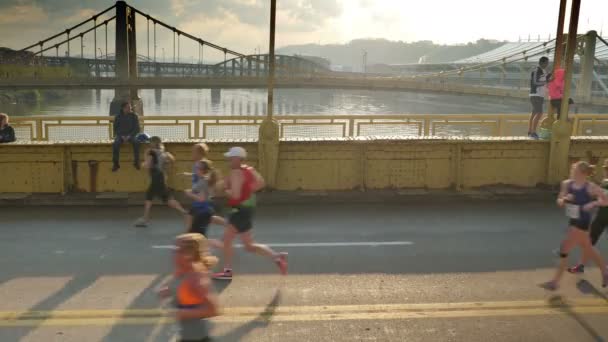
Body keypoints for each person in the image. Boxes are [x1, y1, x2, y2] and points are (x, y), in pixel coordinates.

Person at [212, 146, 288, 280]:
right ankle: (276, 257)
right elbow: (261, 183)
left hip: (239, 210)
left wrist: (226, 191)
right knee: (249, 246)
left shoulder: (235, 172)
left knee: (227, 241)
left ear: (237, 158)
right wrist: (246, 191)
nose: (229, 160)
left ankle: (227, 271)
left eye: (230, 157)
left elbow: (235, 196)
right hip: (247, 209)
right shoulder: (249, 169)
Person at [542, 161, 608, 291]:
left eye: (575, 171)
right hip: (573, 220)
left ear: (583, 174)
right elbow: (559, 202)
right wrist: (565, 199)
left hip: (583, 222)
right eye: (572, 171)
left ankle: (555, 282)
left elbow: (605, 201)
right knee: (588, 248)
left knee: (564, 249)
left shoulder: (591, 187)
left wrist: (593, 204)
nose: (572, 173)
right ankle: (605, 271)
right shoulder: (566, 184)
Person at [158, 233, 220, 342]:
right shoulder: (181, 270)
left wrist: (182, 313)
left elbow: (213, 310)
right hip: (185, 335)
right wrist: (168, 290)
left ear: (188, 255)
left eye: (177, 250)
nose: (173, 253)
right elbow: (179, 287)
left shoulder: (196, 277)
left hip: (197, 338)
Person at [135, 136, 187, 227]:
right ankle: (184, 212)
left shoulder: (151, 152)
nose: (148, 144)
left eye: (150, 142)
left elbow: (147, 165)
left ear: (153, 143)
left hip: (156, 177)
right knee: (158, 197)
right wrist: (165, 162)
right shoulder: (163, 152)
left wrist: (143, 161)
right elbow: (172, 159)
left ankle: (145, 219)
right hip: (161, 176)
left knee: (156, 197)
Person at [568, 158, 608, 274]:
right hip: (601, 217)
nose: (605, 170)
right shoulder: (605, 181)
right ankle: (581, 266)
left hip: (603, 216)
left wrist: (592, 202)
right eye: (605, 168)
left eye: (607, 168)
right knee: (589, 242)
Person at [184, 159, 225, 249]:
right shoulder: (205, 179)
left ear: (202, 170)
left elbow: (201, 199)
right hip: (201, 211)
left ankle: (224, 246)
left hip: (202, 212)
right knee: (195, 236)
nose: (195, 170)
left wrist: (189, 193)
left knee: (200, 239)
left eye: (197, 168)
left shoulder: (203, 181)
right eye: (195, 168)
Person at [112, 101, 141, 172]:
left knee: (136, 143)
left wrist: (130, 136)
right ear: (123, 108)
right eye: (128, 107)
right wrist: (121, 136)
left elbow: (137, 128)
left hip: (131, 135)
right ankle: (116, 164)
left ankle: (136, 162)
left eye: (130, 107)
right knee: (116, 144)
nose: (130, 108)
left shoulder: (134, 116)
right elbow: (115, 129)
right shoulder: (118, 116)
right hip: (120, 135)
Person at [528, 57, 550, 139]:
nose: (547, 65)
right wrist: (546, 81)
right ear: (542, 62)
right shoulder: (537, 70)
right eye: (546, 63)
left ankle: (530, 131)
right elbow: (535, 82)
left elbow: (547, 78)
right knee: (539, 113)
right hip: (535, 94)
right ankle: (533, 132)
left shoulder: (543, 71)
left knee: (534, 113)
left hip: (540, 95)